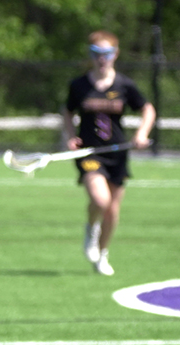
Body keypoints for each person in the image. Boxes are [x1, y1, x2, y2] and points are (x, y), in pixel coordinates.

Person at [63, 30, 155, 276]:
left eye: (106, 53)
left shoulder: (125, 85)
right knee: (101, 200)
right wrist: (71, 136)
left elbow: (147, 109)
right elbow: (68, 112)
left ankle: (102, 255)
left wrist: (141, 134)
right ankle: (91, 228)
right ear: (90, 55)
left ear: (115, 54)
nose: (101, 58)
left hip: (118, 153)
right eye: (96, 53)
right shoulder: (79, 85)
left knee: (113, 209)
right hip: (90, 153)